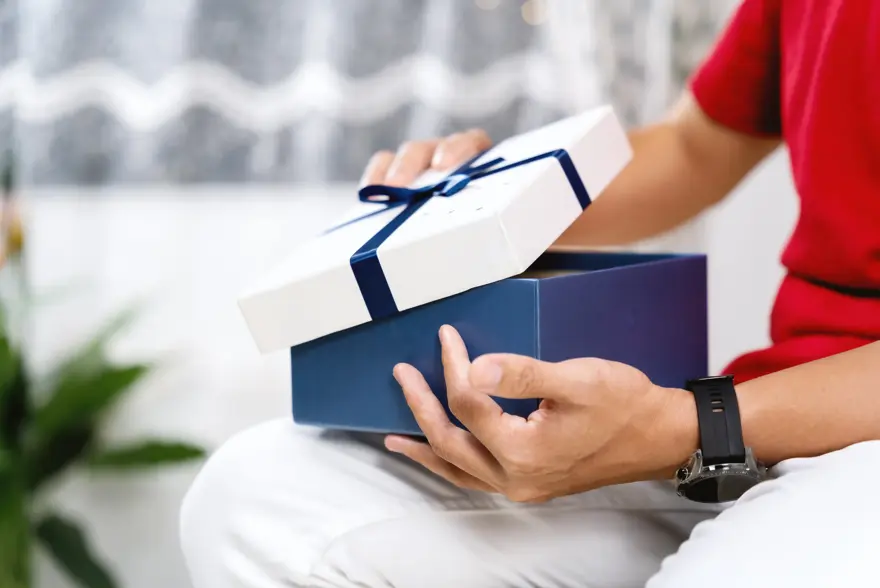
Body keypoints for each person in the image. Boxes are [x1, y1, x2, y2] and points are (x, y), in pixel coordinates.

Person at [180, 1, 880, 586]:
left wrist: (685, 428)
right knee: (254, 500)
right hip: (758, 425)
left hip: (846, 436)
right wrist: (489, 200)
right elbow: (696, 147)